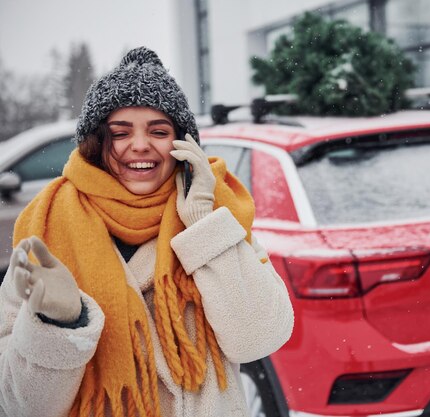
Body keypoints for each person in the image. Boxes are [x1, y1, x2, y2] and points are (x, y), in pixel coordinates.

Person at [0, 47, 294, 417]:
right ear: (97, 143)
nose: (140, 145)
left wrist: (203, 221)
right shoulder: (47, 227)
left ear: (182, 144)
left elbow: (257, 338)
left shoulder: (218, 214)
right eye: (120, 132)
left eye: (158, 131)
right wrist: (58, 323)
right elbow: (20, 405)